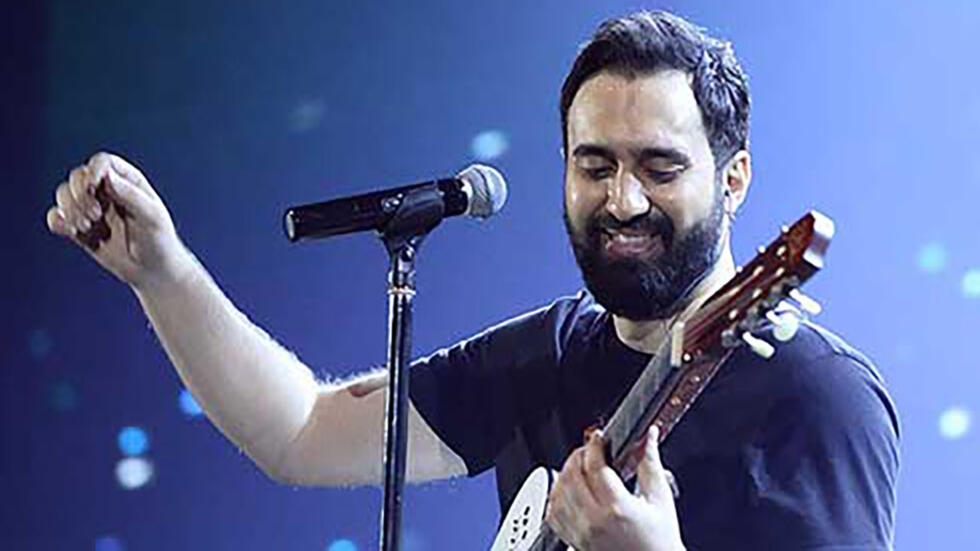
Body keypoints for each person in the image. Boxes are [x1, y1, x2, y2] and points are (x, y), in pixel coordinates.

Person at [46, 10, 899, 551]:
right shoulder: (547, 353)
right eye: (594, 164)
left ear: (734, 178)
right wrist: (161, 270)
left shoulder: (819, 396)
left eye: (660, 166)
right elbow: (300, 431)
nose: (622, 199)